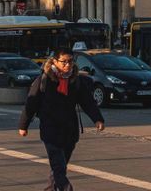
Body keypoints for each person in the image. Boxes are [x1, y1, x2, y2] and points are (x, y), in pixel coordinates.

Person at [18, 46, 105, 191]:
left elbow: (87, 102)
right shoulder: (44, 80)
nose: (67, 65)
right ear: (55, 61)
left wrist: (98, 119)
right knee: (58, 165)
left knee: (60, 167)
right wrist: (23, 125)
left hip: (70, 131)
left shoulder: (75, 81)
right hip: (50, 130)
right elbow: (31, 103)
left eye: (70, 61)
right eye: (64, 61)